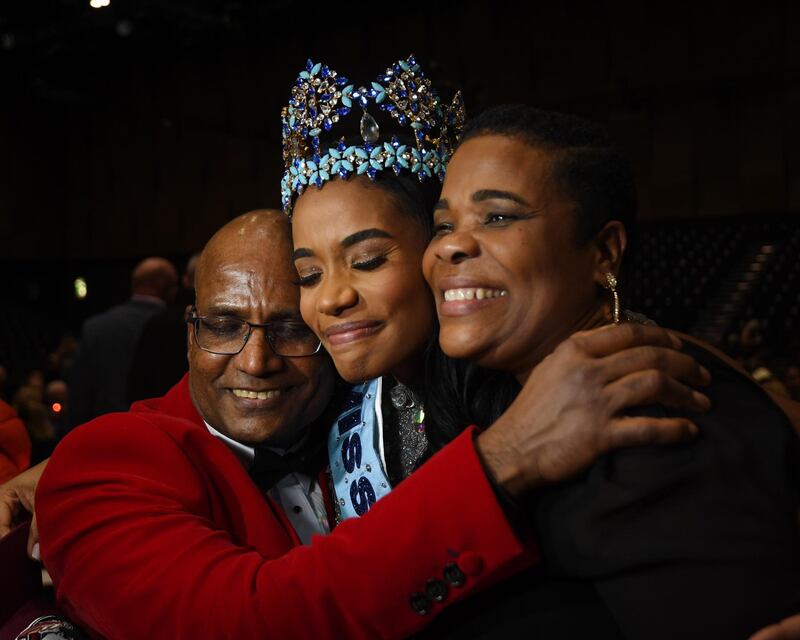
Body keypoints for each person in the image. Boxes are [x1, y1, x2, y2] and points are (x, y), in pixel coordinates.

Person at [24, 208, 708, 640]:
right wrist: (506, 459)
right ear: (189, 333)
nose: (256, 361)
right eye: (225, 326)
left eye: (291, 329)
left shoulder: (372, 411)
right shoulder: (102, 459)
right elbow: (245, 624)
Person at [421, 104, 800, 639]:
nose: (450, 245)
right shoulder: (520, 399)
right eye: (443, 224)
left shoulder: (645, 422)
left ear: (603, 253)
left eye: (499, 216)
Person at [68, 256, 178, 426]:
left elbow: (80, 393)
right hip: (158, 430)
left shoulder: (96, 326)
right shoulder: (177, 327)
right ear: (168, 288)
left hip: (105, 428)